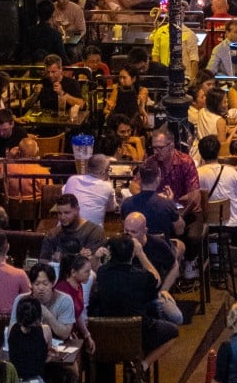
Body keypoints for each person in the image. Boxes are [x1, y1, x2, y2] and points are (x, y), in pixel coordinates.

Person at [93, 235, 182, 369]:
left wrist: (97, 257)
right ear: (132, 254)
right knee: (173, 332)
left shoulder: (103, 273)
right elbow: (157, 279)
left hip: (109, 335)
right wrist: (141, 253)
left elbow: (97, 270)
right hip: (139, 334)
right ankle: (143, 365)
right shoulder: (141, 276)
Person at [197, 136, 237, 302]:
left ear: (201, 154)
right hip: (234, 221)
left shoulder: (197, 174)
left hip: (209, 224)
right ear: (218, 152)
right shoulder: (231, 172)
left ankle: (214, 265)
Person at [40, 193, 107, 263]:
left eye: (67, 213)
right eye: (59, 213)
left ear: (77, 210)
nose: (62, 217)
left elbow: (94, 265)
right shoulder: (52, 234)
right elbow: (43, 261)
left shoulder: (94, 232)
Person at [61, 154, 119, 227]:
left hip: (63, 232)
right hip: (91, 235)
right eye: (109, 170)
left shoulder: (72, 179)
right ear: (103, 172)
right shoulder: (107, 186)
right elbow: (111, 208)